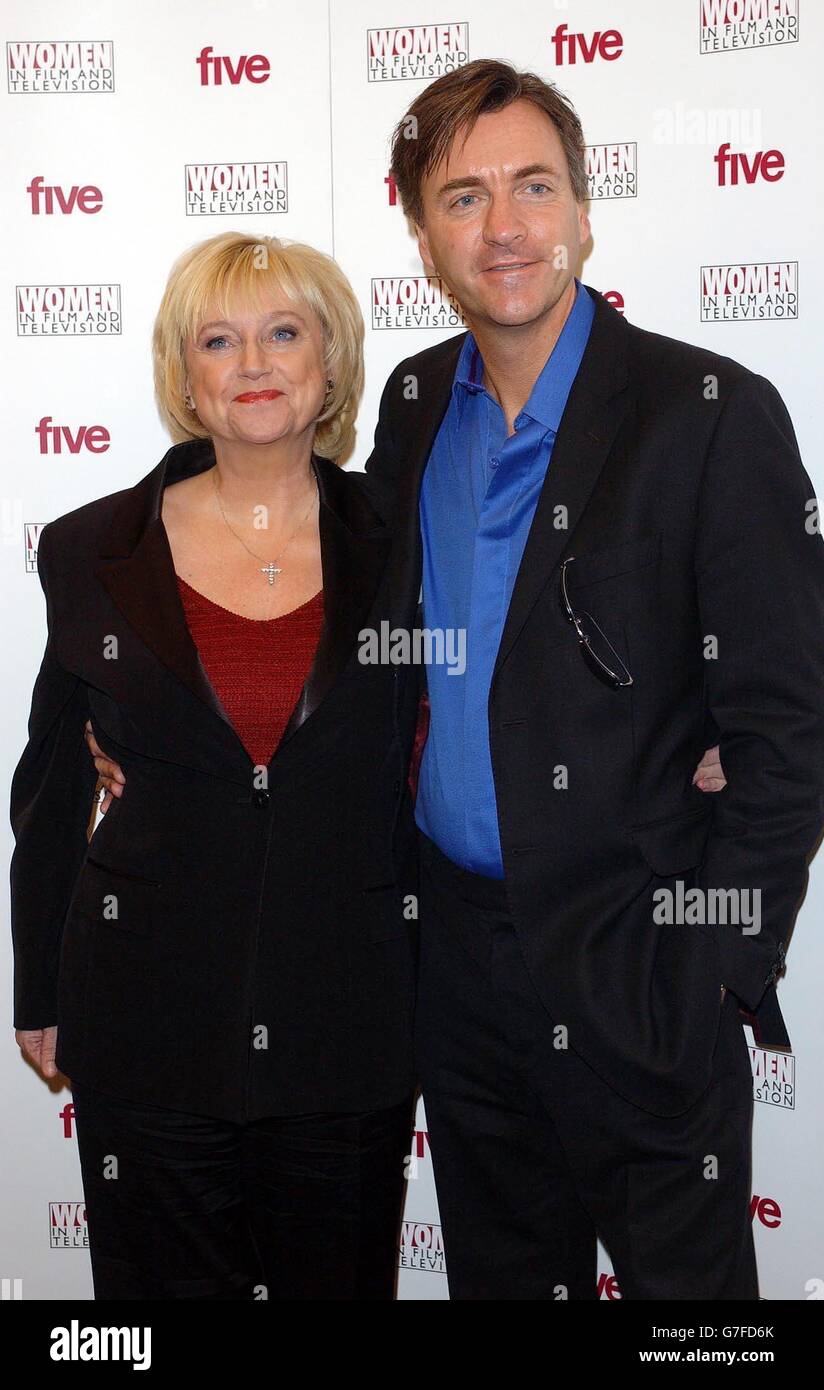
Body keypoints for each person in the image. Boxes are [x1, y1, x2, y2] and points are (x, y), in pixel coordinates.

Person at [355, 59, 824, 1299]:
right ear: (418, 232)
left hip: (641, 962)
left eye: (532, 186)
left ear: (581, 209)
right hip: (456, 972)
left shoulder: (707, 411)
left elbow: (788, 724)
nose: (503, 227)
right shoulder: (409, 407)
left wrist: (714, 960)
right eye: (461, 197)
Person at [9, 230, 421, 1300]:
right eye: (219, 340)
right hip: (144, 1018)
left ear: (329, 361)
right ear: (182, 378)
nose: (253, 364)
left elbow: (475, 725)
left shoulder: (404, 536)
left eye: (284, 333)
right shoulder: (93, 548)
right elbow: (53, 780)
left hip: (349, 1014)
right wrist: (40, 982)